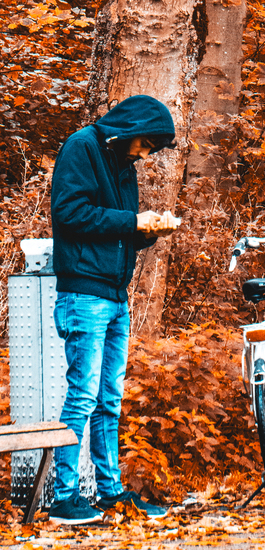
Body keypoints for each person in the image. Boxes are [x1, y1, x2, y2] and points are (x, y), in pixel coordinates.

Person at [49, 95, 179, 525]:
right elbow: (70, 214)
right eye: (146, 143)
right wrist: (132, 222)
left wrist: (148, 230)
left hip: (115, 295)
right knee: (83, 396)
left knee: (109, 399)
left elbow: (118, 229)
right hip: (84, 293)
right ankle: (64, 497)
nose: (146, 153)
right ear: (130, 129)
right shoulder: (82, 147)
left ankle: (109, 491)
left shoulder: (124, 163)